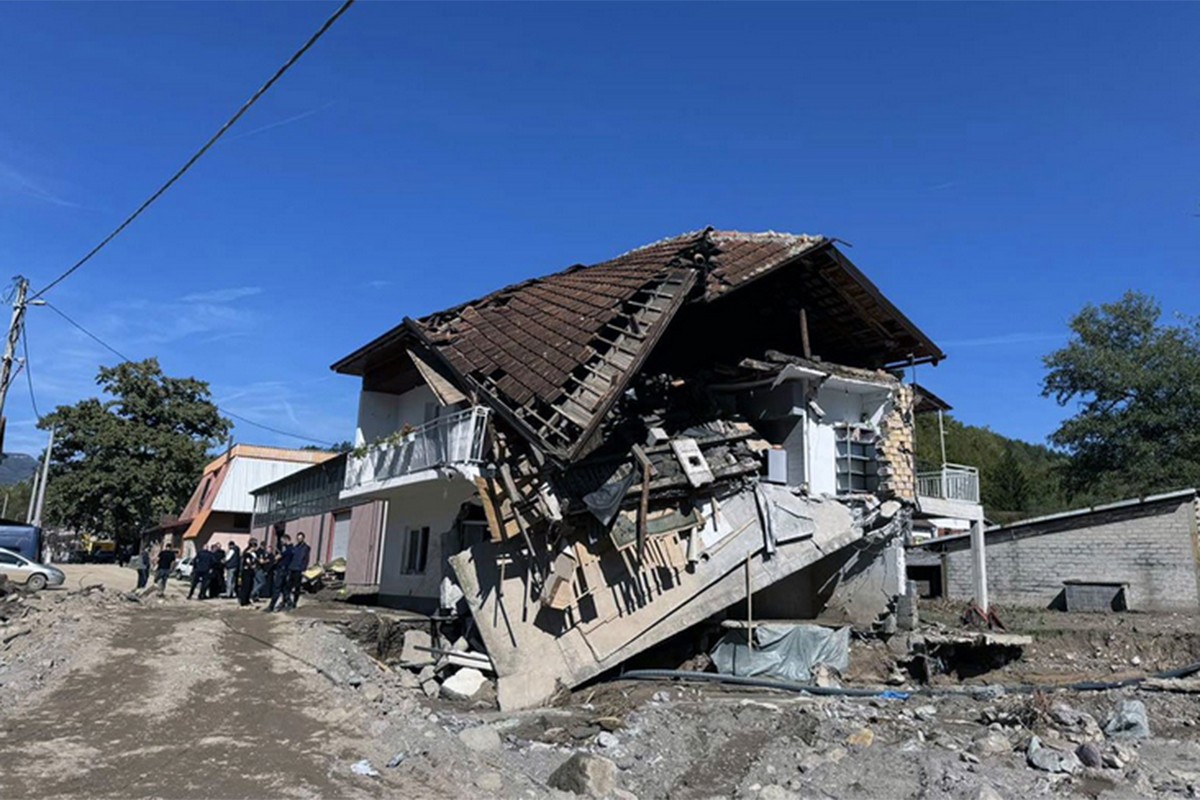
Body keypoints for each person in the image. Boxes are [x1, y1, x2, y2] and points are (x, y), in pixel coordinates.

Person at [266, 534, 293, 613]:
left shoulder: (287, 550)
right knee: (284, 589)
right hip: (285, 570)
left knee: (277, 588)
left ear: (285, 540)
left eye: (282, 541)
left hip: (281, 570)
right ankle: (289, 603)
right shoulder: (291, 549)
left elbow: (277, 557)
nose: (281, 543)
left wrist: (275, 558)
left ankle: (271, 606)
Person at [287, 531, 311, 610]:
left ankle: (295, 602)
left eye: (300, 538)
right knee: (289, 586)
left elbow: (306, 559)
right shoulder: (295, 547)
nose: (299, 539)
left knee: (297, 587)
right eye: (298, 538)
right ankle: (288, 600)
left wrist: (303, 568)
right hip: (292, 568)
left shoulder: (306, 548)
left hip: (299, 569)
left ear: (303, 538)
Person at [237, 539, 258, 607]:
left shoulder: (253, 554)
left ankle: (247, 599)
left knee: (250, 586)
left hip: (251, 572)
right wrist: (252, 565)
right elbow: (248, 562)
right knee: (245, 586)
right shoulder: (246, 554)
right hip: (246, 572)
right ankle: (243, 601)